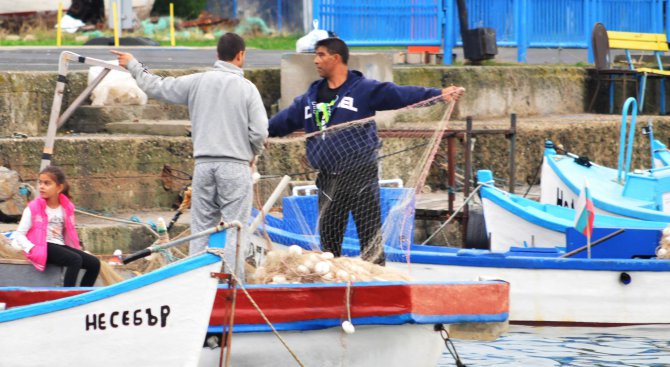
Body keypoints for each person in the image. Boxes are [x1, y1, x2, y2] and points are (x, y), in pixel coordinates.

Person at [268, 37, 464, 265]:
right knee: (329, 242)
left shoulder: (363, 90)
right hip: (328, 179)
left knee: (369, 237)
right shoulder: (309, 99)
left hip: (361, 174)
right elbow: (281, 123)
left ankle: (377, 281)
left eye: (321, 55)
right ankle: (334, 285)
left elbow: (401, 95)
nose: (315, 60)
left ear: (336, 58)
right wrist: (258, 132)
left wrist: (438, 94)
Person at [112, 33, 268, 280]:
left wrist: (133, 64)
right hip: (235, 167)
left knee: (201, 231)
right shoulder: (248, 89)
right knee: (234, 231)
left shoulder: (197, 82)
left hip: (204, 166)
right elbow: (260, 131)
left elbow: (157, 86)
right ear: (241, 55)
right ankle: (231, 288)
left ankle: (196, 284)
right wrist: (252, 153)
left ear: (217, 56)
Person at [13, 166, 100, 287]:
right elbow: (19, 234)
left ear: (59, 187)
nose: (41, 186)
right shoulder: (33, 208)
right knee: (75, 260)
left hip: (59, 245)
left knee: (95, 264)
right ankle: (68, 297)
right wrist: (31, 248)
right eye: (40, 182)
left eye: (47, 183)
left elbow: (69, 232)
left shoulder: (66, 208)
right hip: (42, 246)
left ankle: (84, 295)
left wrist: (77, 247)